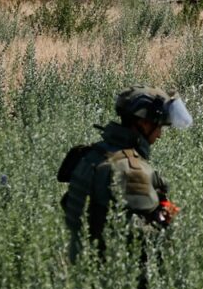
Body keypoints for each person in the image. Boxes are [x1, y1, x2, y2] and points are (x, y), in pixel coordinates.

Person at [60, 86, 192, 264]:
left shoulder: (94, 153)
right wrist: (176, 229)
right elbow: (140, 238)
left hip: (81, 264)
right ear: (143, 124)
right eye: (159, 125)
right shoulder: (129, 169)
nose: (160, 134)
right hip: (110, 274)